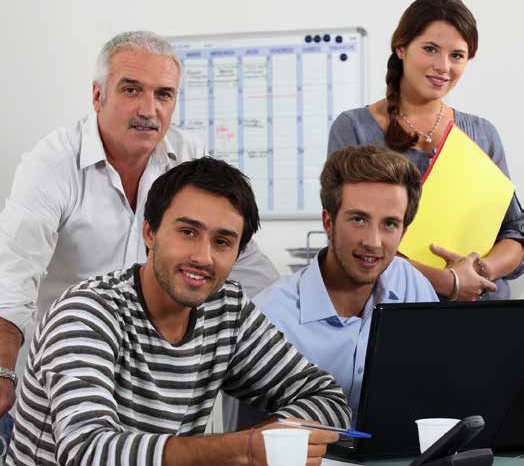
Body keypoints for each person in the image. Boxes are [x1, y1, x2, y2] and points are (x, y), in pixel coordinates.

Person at [0, 31, 279, 442]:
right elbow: (14, 275)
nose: (149, 110)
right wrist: (3, 371)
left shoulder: (188, 156)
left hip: (150, 390)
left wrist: (307, 315)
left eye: (164, 95)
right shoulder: (52, 163)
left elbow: (244, 258)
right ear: (98, 96)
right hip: (64, 381)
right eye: (131, 90)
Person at [7, 157, 350, 466]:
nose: (202, 257)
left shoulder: (227, 310)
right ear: (149, 233)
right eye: (187, 232)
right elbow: (89, 451)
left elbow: (326, 397)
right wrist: (243, 449)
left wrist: (272, 440)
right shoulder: (87, 312)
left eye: (222, 242)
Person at [328, 0, 524, 302]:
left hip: (484, 308)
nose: (443, 66)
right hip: (398, 309)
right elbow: (349, 236)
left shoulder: (482, 133)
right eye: (430, 49)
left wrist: (479, 270)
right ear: (401, 48)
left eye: (457, 55)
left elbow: (515, 231)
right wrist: (449, 281)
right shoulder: (354, 128)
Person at [241, 145, 438, 427]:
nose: (373, 242)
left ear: (403, 231)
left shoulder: (412, 286)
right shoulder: (270, 317)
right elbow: (248, 439)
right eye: (358, 219)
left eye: (390, 224)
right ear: (328, 222)